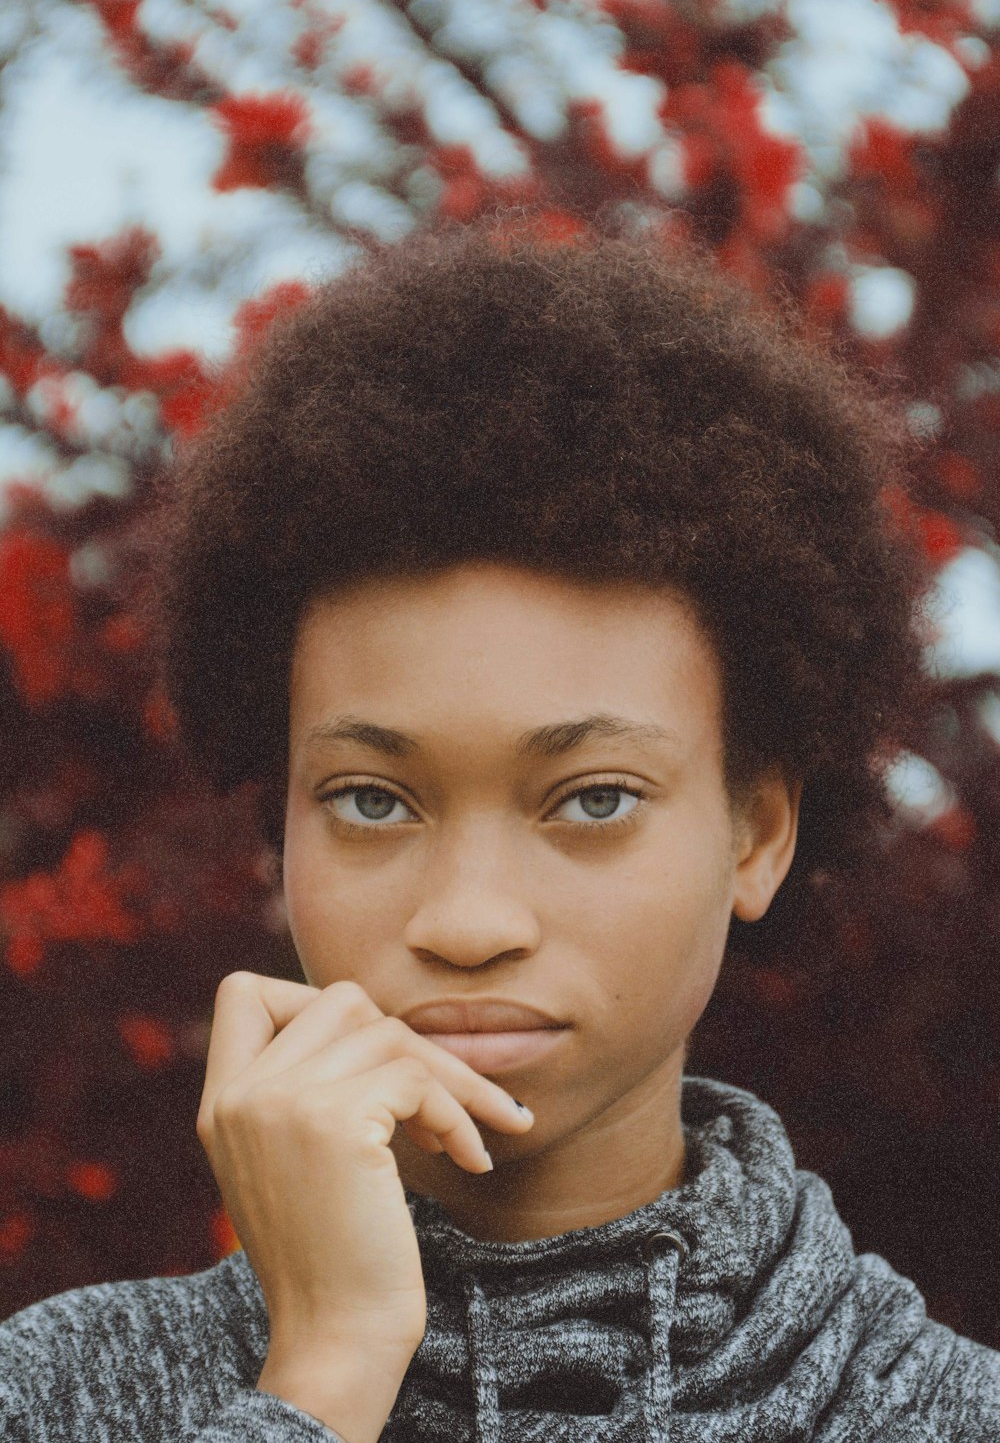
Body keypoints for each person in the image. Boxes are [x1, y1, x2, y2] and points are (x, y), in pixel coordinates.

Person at [2, 214, 998, 1442]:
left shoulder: (941, 1416)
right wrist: (327, 1366)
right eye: (372, 801)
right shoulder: (57, 1394)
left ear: (756, 835)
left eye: (592, 801)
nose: (467, 921)